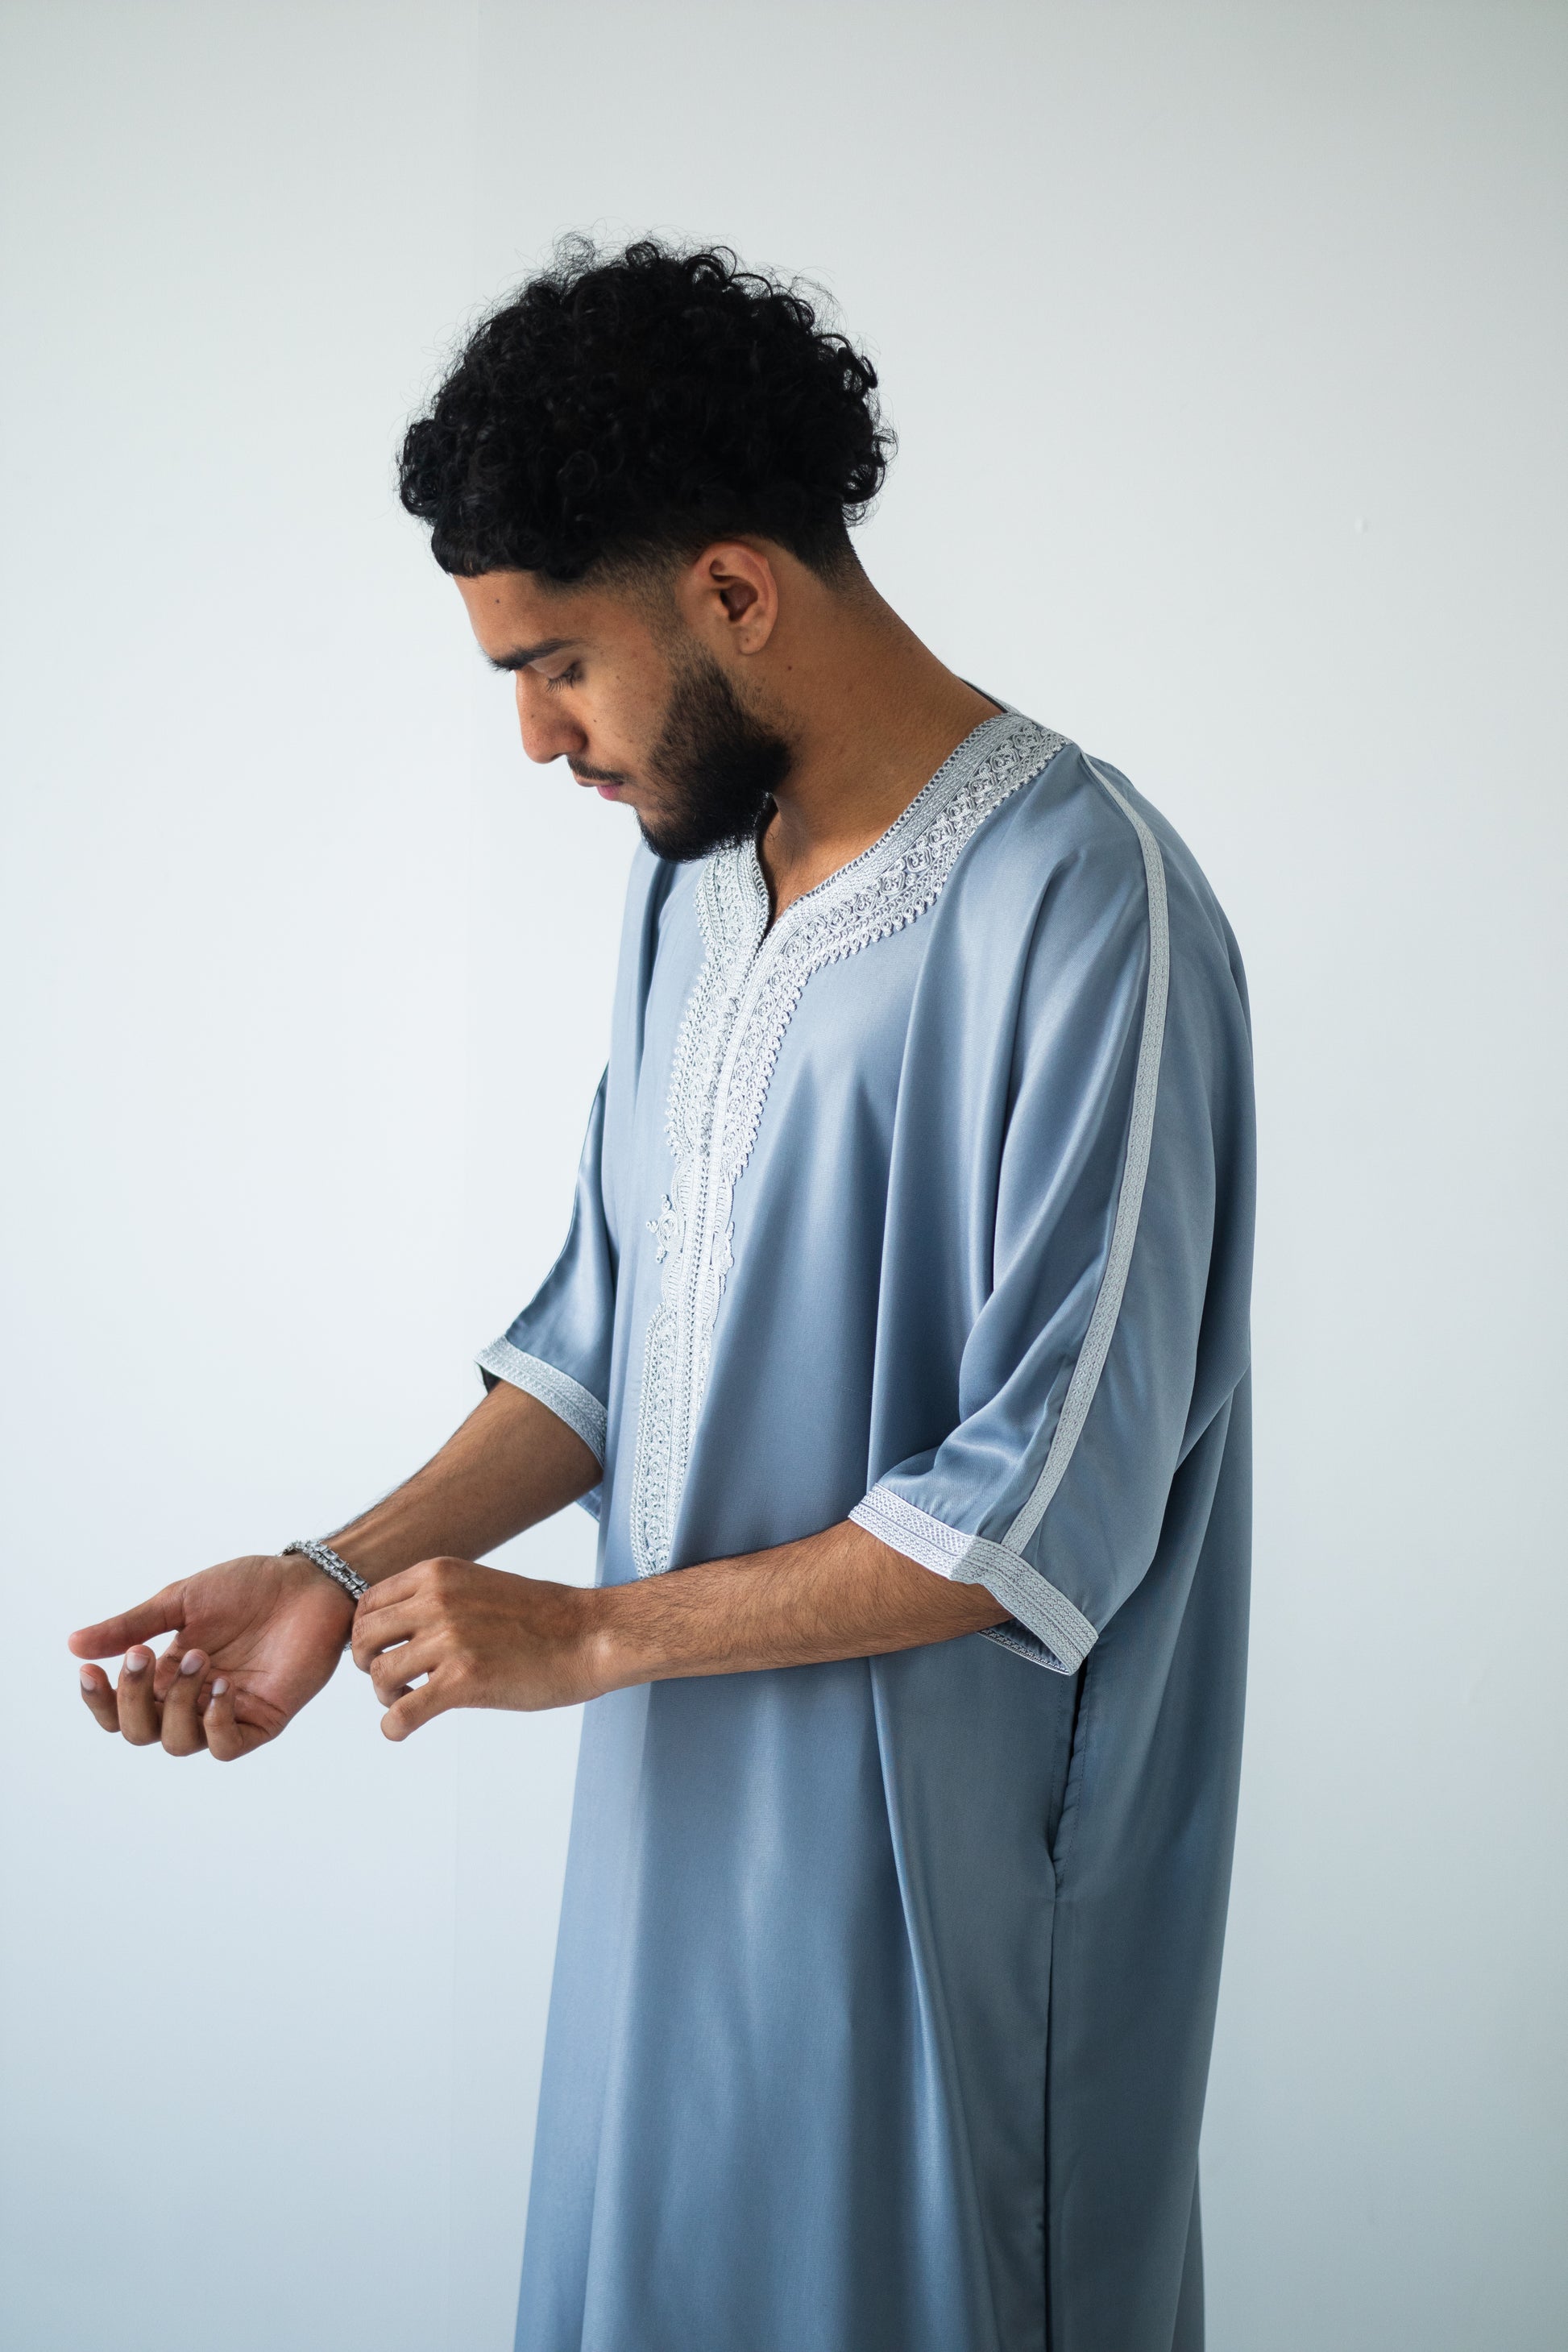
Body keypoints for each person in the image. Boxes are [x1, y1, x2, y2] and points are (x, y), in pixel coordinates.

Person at [69, 239, 1256, 2352]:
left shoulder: (1090, 908)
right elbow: (610, 1346)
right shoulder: (700, 886)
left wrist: (595, 1632)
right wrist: (335, 1570)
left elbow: (1039, 1508)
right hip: (671, 1859)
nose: (538, 738)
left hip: (950, 1908)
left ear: (730, 590)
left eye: (556, 665)